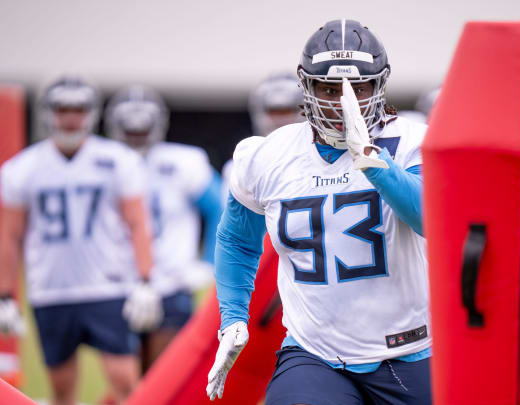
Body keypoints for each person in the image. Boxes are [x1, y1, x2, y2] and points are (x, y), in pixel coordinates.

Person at [206, 19, 431, 404]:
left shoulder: (411, 141)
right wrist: (232, 317)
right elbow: (237, 240)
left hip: (409, 348)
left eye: (358, 88)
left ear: (380, 85)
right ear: (306, 87)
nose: (344, 102)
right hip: (315, 354)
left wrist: (375, 165)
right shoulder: (269, 155)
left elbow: (433, 219)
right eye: (329, 88)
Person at [0, 76, 162, 405]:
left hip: (107, 285)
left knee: (125, 381)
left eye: (78, 108)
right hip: (51, 288)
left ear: (91, 113)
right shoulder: (23, 168)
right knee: (61, 389)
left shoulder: (116, 159)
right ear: (49, 113)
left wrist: (146, 280)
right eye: (63, 109)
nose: (70, 117)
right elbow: (10, 235)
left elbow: (137, 224)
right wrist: (5, 295)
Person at [105, 85, 224, 372]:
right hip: (117, 281)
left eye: (142, 129)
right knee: (127, 379)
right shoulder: (102, 162)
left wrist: (208, 263)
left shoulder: (182, 162)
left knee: (165, 373)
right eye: (130, 129)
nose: (136, 136)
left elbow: (221, 209)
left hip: (171, 282)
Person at [221, 72, 305, 198]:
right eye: (274, 111)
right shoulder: (241, 165)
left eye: (288, 111)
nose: (280, 120)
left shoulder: (321, 159)